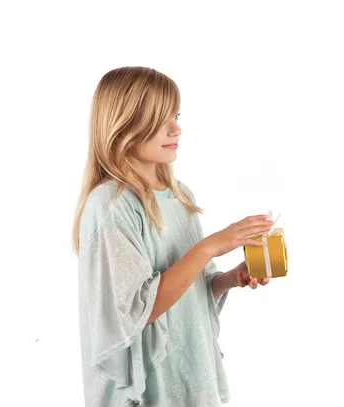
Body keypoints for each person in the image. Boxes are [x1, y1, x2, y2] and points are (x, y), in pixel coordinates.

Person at [72, 66, 273, 407]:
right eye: (159, 118)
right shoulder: (111, 205)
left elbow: (186, 291)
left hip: (188, 383)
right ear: (124, 124)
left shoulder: (181, 196)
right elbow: (133, 312)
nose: (176, 128)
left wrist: (228, 279)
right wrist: (209, 247)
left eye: (175, 115)